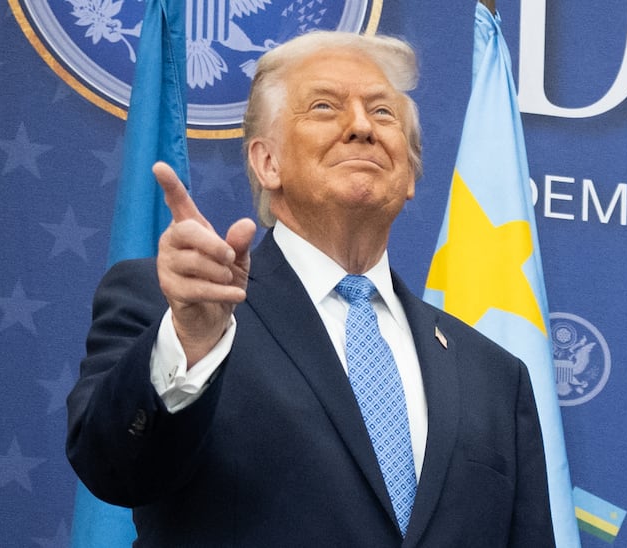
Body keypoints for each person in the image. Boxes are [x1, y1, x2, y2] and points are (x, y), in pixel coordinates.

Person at [66, 23, 555, 548]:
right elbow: (112, 468)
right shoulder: (178, 309)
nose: (362, 127)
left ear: (410, 174)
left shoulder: (495, 377)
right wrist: (190, 341)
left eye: (383, 111)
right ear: (267, 162)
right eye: (325, 107)